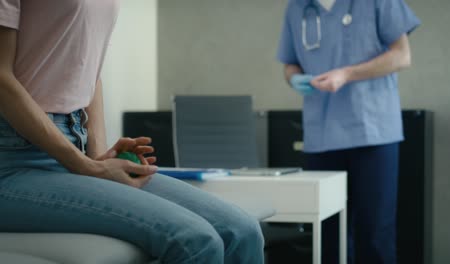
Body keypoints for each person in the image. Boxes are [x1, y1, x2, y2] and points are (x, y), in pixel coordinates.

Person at [0, 1, 264, 264]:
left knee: (242, 231)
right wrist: (84, 166)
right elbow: (1, 79)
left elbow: (90, 71)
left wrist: (96, 157)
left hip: (72, 149)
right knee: (195, 241)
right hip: (12, 164)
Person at [277, 0, 420, 263]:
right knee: (328, 237)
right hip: (321, 136)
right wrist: (295, 79)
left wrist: (346, 74)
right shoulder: (298, 7)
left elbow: (402, 55)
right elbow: (290, 64)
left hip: (373, 132)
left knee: (374, 235)